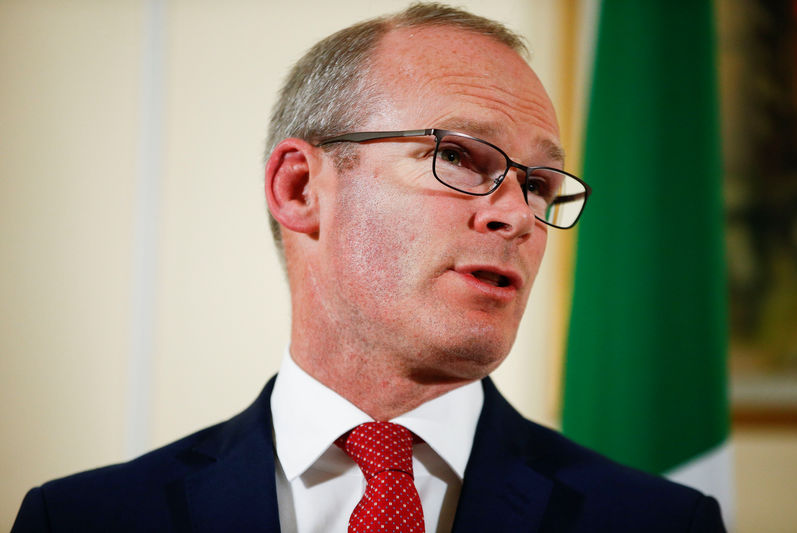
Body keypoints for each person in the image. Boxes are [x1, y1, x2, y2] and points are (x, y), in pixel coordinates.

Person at [12, 3, 726, 532]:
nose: (517, 216)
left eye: (540, 185)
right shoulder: (80, 519)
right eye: (459, 156)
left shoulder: (660, 520)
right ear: (300, 188)